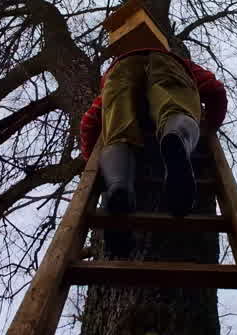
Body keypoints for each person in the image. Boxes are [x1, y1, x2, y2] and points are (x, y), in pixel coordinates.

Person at [79, 49, 227, 218]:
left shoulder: (114, 70)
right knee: (175, 109)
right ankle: (177, 139)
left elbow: (88, 122)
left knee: (117, 132)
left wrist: (93, 162)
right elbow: (216, 90)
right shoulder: (183, 62)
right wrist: (210, 125)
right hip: (168, 64)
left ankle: (118, 184)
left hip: (121, 68)